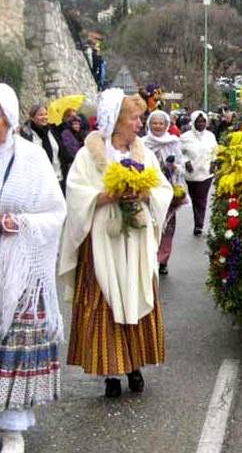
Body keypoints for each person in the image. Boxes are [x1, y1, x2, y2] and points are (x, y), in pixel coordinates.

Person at [59, 89, 173, 398]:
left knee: (135, 293)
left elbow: (162, 188)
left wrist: (144, 193)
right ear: (116, 122)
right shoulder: (88, 155)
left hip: (134, 239)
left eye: (139, 118)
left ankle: (134, 365)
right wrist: (104, 196)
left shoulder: (143, 153)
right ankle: (110, 371)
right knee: (104, 301)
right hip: (101, 241)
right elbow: (75, 192)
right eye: (134, 118)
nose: (139, 123)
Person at [0, 84, 66, 453]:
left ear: (8, 118)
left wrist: (19, 223)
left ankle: (11, 430)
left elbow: (55, 212)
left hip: (20, 268)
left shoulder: (31, 158)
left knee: (14, 344)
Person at [142, 110, 186, 275]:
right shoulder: (142, 143)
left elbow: (182, 165)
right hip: (149, 191)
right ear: (149, 124)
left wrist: (174, 167)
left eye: (161, 123)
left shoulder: (173, 142)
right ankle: (150, 256)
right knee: (150, 224)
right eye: (155, 123)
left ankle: (163, 260)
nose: (158, 126)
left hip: (169, 191)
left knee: (168, 226)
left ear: (167, 125)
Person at [180, 111, 217, 236]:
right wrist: (186, 162)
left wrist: (213, 163)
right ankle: (198, 219)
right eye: (198, 122)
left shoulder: (210, 136)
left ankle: (199, 225)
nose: (201, 124)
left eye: (203, 121)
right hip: (191, 174)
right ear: (193, 122)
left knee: (201, 199)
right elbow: (180, 153)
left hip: (206, 172)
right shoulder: (185, 137)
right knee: (195, 198)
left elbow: (215, 151)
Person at [20, 104, 63, 190]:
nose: (44, 117)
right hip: (39, 181)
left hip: (57, 177)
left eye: (46, 114)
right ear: (32, 117)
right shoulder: (26, 135)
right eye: (40, 115)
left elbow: (61, 152)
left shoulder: (51, 131)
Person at [59, 115, 85, 190]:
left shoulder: (79, 134)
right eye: (75, 124)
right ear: (70, 124)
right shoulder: (66, 133)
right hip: (71, 162)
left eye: (78, 124)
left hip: (79, 161)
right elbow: (70, 148)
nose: (77, 126)